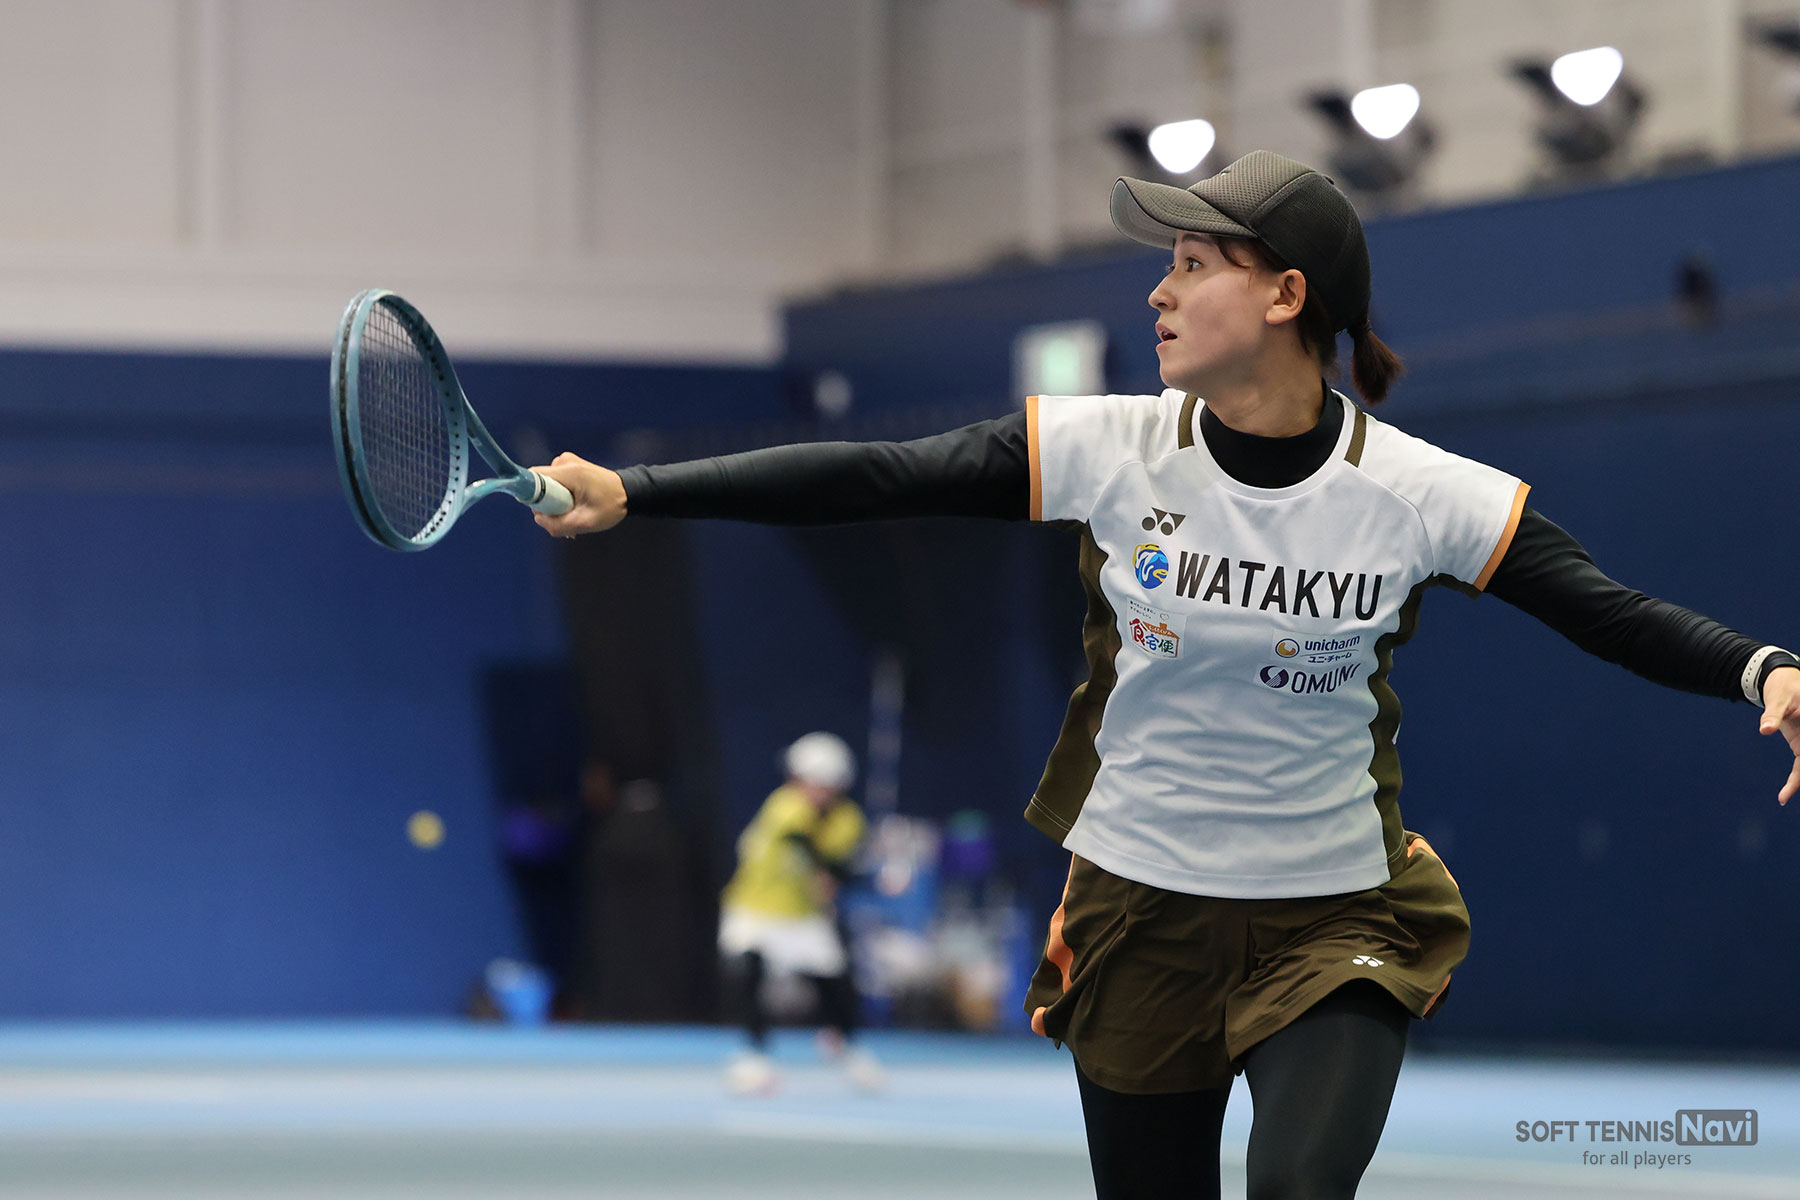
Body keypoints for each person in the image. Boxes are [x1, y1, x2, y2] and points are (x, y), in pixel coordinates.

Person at [524, 151, 1800, 1198]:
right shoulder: (1110, 449)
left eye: (1194, 263)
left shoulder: (1419, 494)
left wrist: (1765, 669)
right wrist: (636, 491)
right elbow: (880, 475)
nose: (1159, 292)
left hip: (1336, 917)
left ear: (1287, 295)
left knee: (1298, 1185)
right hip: (1139, 916)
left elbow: (1607, 612)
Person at [714, 731, 880, 1096]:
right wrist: (823, 873)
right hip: (754, 908)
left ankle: (848, 1045)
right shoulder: (784, 805)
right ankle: (753, 1054)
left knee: (835, 984)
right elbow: (801, 843)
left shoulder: (848, 820)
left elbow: (845, 865)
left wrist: (835, 877)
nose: (807, 788)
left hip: (803, 915)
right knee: (747, 973)